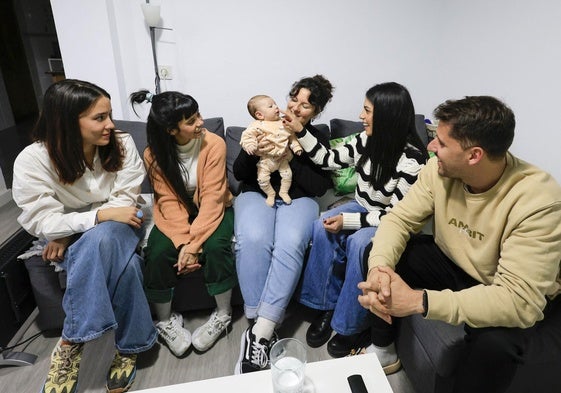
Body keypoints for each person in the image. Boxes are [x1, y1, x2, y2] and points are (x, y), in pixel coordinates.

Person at [358, 96, 561, 390]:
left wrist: (419, 301)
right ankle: (384, 350)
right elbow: (398, 220)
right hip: (458, 265)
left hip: (507, 287)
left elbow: (519, 301)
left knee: (493, 345)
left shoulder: (538, 199)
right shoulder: (437, 171)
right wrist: (379, 269)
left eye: (440, 142)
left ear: (474, 155)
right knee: (378, 254)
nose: (430, 147)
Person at [13, 79, 156, 393]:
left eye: (109, 114)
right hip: (93, 226)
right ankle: (131, 347)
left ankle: (71, 341)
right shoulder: (32, 160)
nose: (111, 125)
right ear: (65, 121)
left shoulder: (122, 143)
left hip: (122, 221)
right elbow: (41, 219)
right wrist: (96, 216)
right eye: (100, 118)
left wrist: (67, 229)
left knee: (103, 239)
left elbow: (124, 202)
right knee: (128, 267)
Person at [285, 82, 428, 358]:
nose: (361, 117)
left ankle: (350, 325)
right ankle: (326, 307)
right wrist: (299, 130)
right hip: (362, 206)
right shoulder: (367, 140)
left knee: (360, 245)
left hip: (389, 221)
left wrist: (348, 222)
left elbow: (394, 216)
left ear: (387, 116)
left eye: (367, 111)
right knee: (321, 225)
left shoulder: (413, 160)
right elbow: (328, 159)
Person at [233, 75, 334, 374]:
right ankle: (260, 323)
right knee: (253, 238)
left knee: (290, 242)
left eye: (306, 105)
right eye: (294, 99)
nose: (296, 107)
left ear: (315, 112)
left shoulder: (317, 139)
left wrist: (292, 152)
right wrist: (259, 150)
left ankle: (259, 333)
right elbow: (239, 173)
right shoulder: (262, 125)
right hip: (257, 192)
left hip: (298, 197)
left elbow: (319, 186)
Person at [130, 90, 236, 357]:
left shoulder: (214, 144)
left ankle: (223, 314)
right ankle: (164, 321)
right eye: (190, 121)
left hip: (213, 208)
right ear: (170, 130)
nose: (200, 122)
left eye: (198, 114)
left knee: (217, 247)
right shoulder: (153, 154)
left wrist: (194, 245)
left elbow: (212, 199)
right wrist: (183, 244)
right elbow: (167, 200)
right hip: (175, 212)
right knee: (156, 250)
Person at [240, 94, 303, 206]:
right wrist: (250, 146)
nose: (276, 107)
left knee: (288, 175)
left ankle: (283, 192)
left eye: (275, 104)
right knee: (262, 179)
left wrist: (296, 147)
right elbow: (247, 136)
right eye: (271, 106)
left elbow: (292, 136)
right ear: (259, 115)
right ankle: (270, 194)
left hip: (282, 158)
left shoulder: (284, 122)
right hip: (266, 161)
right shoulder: (257, 125)